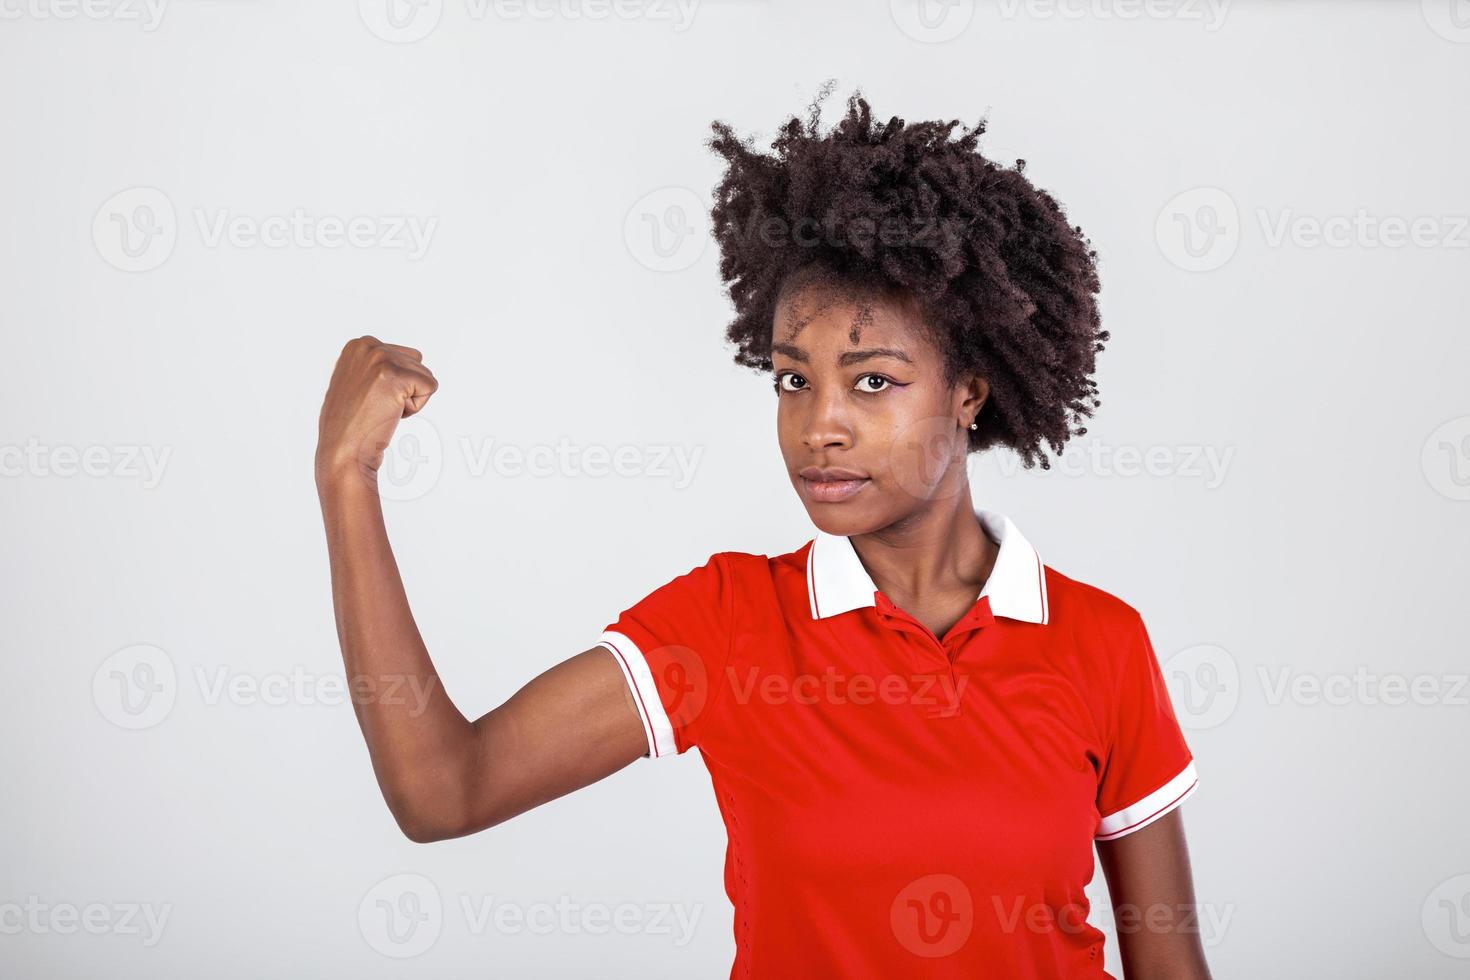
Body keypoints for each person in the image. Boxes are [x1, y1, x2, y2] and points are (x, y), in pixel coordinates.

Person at [314, 88, 1211, 979]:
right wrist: (346, 481)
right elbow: (445, 790)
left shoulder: (1100, 643)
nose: (818, 425)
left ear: (969, 393)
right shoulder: (731, 622)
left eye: (871, 383)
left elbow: (1170, 968)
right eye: (792, 381)